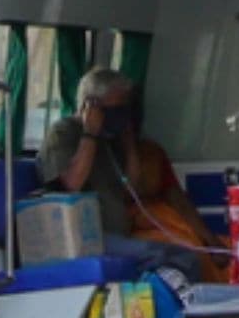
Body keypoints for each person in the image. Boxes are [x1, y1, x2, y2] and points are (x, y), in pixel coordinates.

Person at [37, 67, 213, 282]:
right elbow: (71, 183)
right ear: (90, 106)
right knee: (179, 258)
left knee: (185, 255)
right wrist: (90, 133)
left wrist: (128, 142)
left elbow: (132, 188)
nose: (120, 117)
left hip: (118, 234)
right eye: (114, 110)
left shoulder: (109, 141)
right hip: (86, 237)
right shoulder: (64, 133)